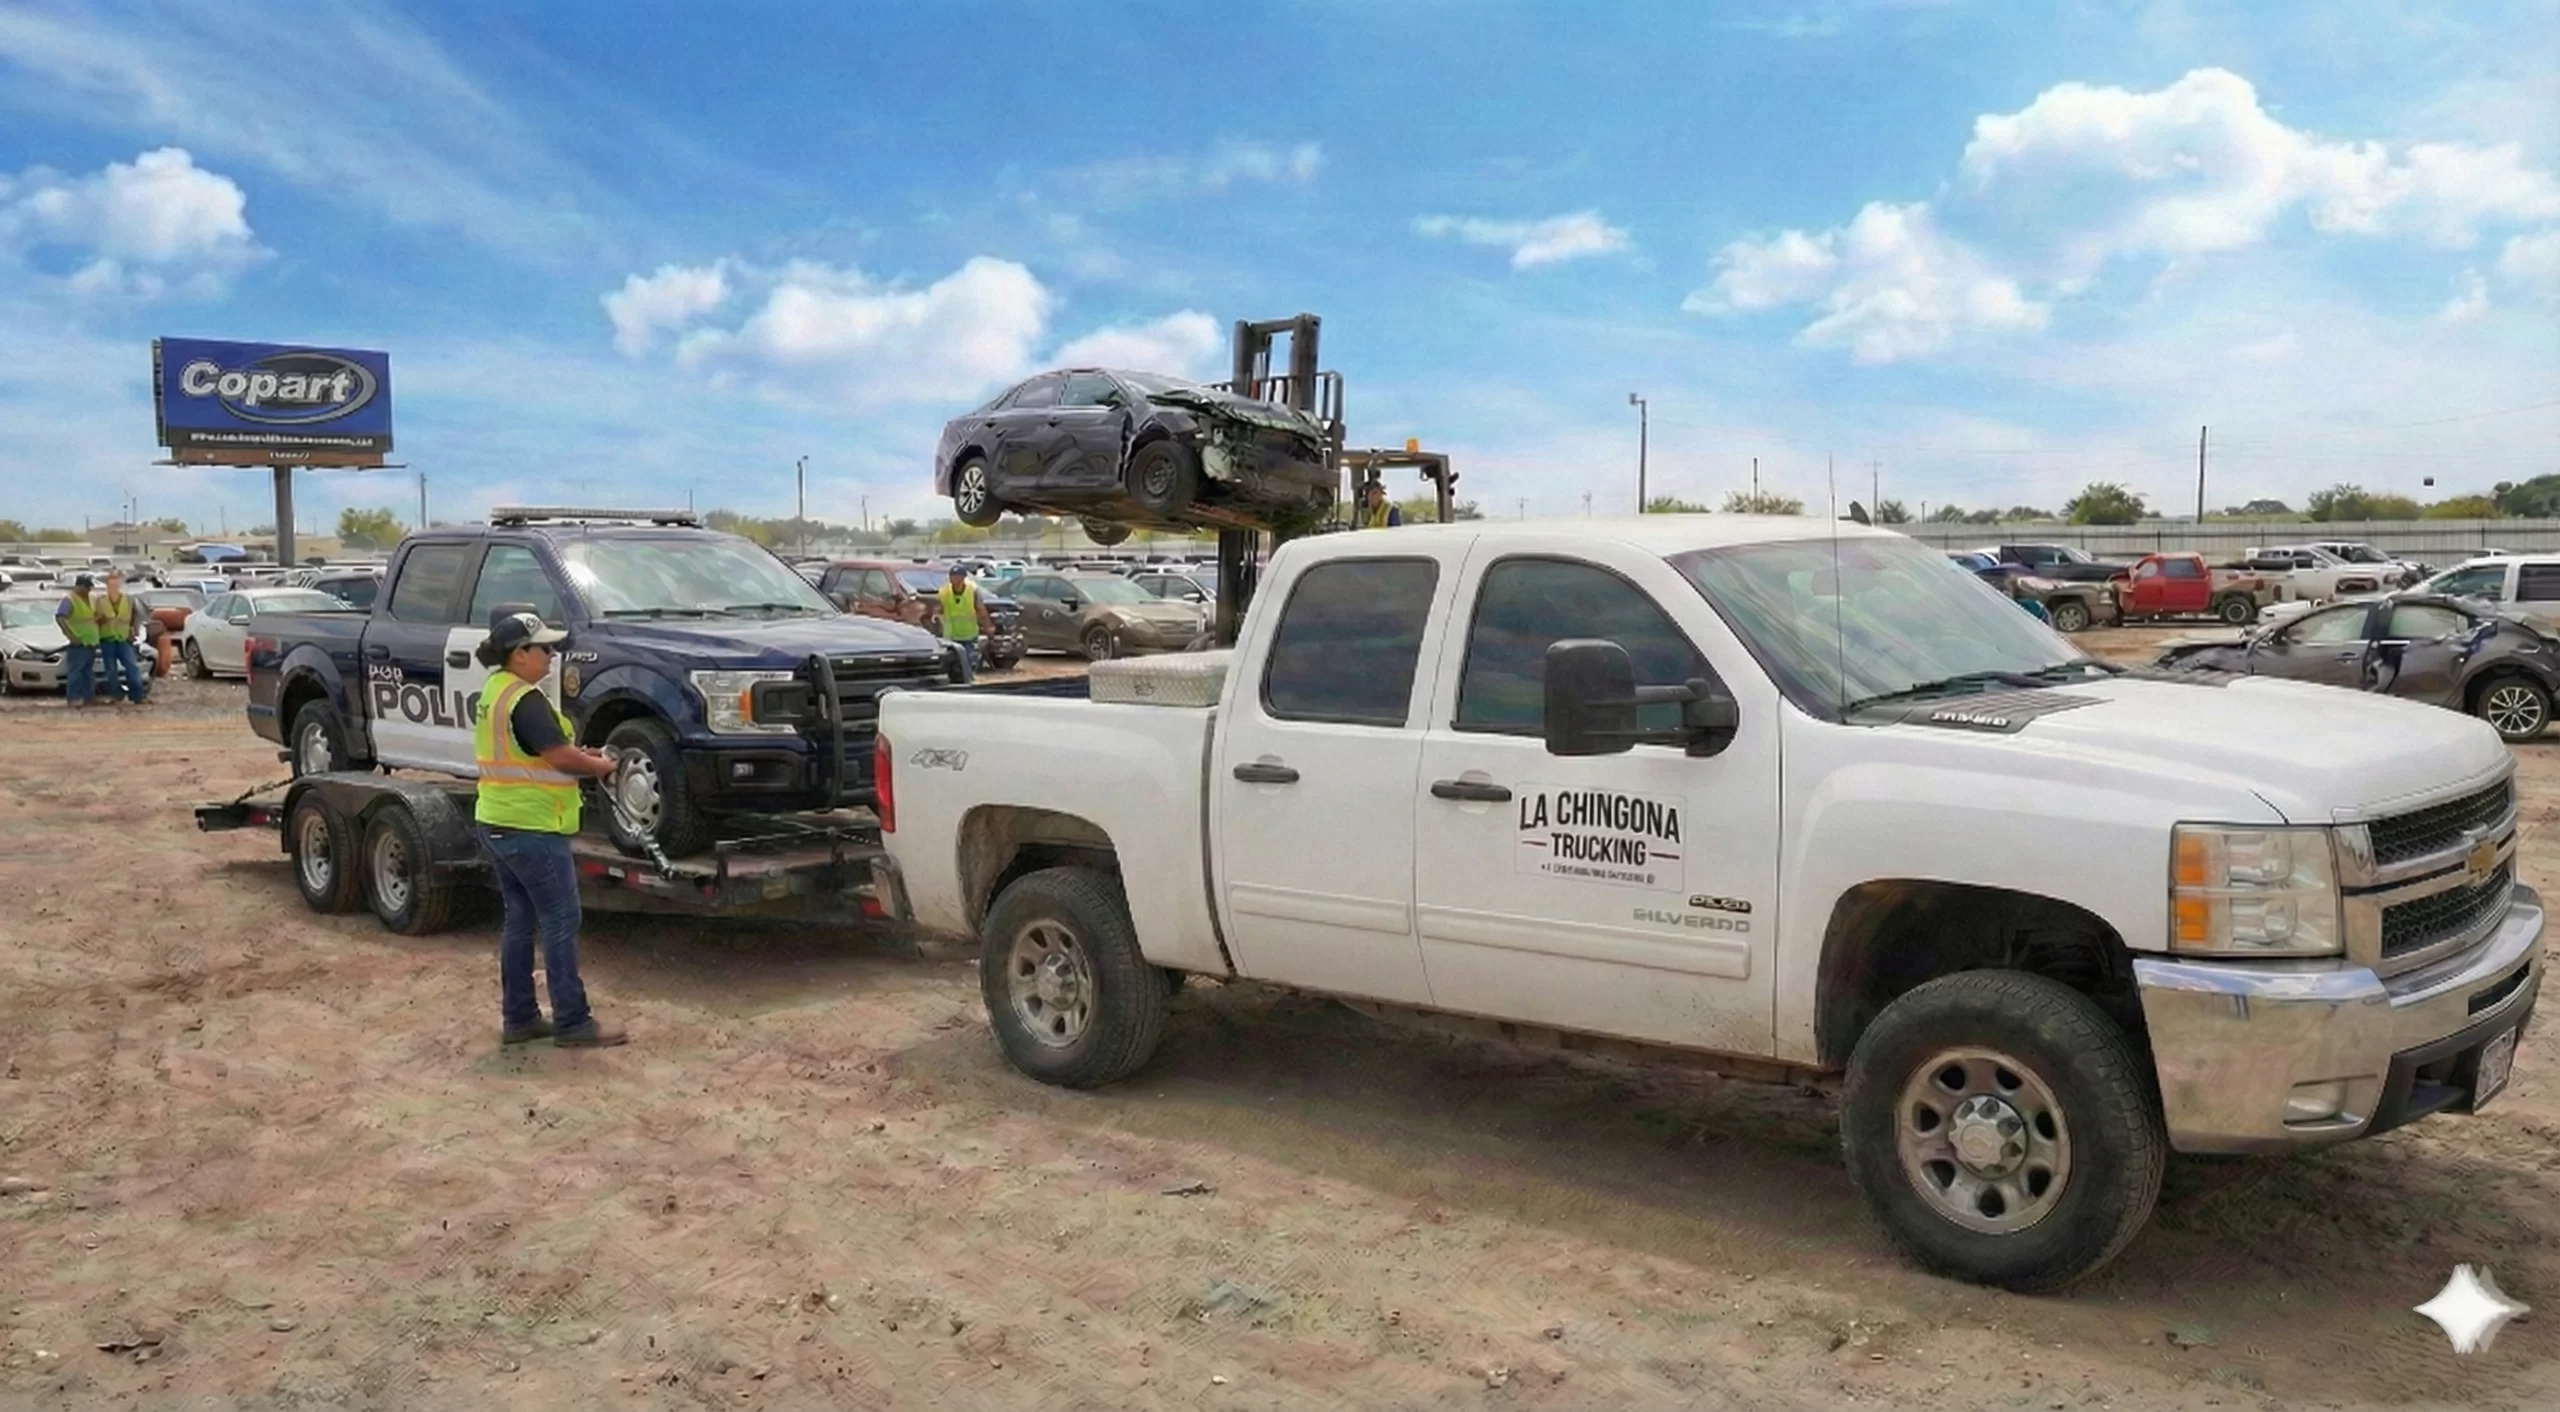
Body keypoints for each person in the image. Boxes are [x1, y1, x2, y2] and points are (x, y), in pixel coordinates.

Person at [471, 608, 627, 1048]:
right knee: (561, 919)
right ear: (519, 654)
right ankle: (573, 1023)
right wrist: (598, 765)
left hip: (499, 820)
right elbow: (558, 758)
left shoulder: (497, 690)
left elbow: (540, 751)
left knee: (520, 920)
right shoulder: (526, 699)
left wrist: (579, 753)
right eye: (545, 648)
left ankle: (519, 1018)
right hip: (531, 827)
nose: (553, 655)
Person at [92, 570, 149, 706]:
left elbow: (135, 615)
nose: (114, 585)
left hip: (123, 639)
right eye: (111, 582)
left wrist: (133, 630)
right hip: (107, 639)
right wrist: (100, 620)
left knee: (132, 667)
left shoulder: (128, 599)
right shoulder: (100, 600)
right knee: (111, 670)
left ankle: (137, 696)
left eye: (116, 582)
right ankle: (116, 694)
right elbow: (94, 619)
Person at [937, 563, 995, 684]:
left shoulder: (972, 590)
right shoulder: (944, 592)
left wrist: (988, 626)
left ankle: (968, 681)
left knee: (968, 660)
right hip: (951, 634)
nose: (955, 579)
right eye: (952, 576)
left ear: (964, 577)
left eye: (958, 576)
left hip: (968, 633)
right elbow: (940, 608)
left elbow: (981, 609)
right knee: (951, 661)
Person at [54, 575, 101, 708]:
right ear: (79, 586)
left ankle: (89, 698)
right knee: (76, 672)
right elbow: (60, 618)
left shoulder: (92, 598)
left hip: (90, 641)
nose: (88, 590)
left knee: (88, 672)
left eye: (90, 587)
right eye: (86, 587)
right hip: (78, 642)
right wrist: (71, 636)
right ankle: (74, 698)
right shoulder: (69, 599)